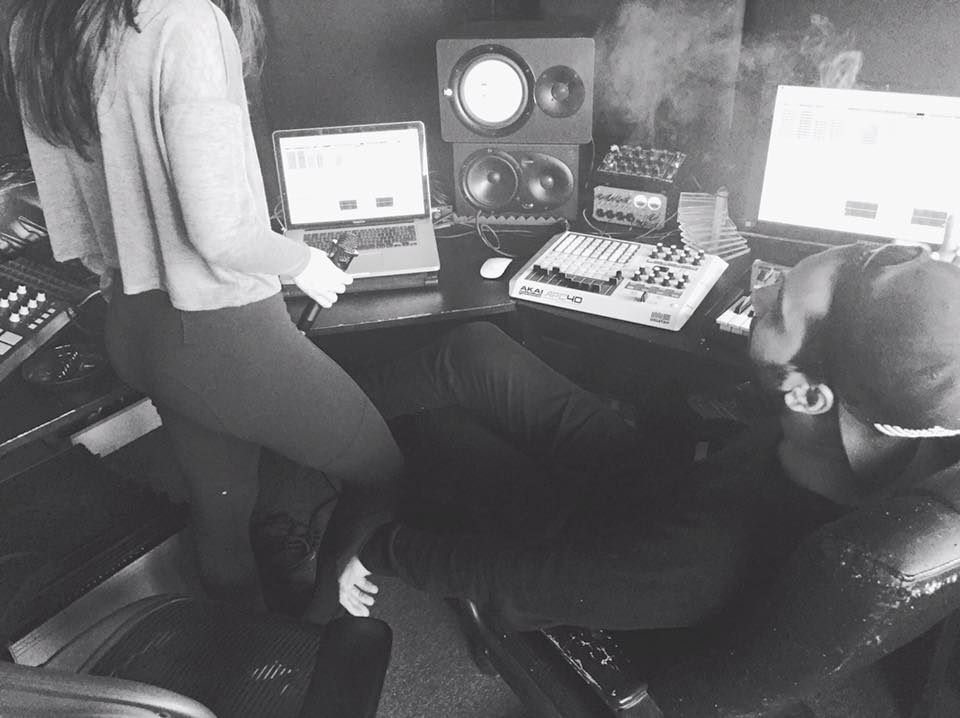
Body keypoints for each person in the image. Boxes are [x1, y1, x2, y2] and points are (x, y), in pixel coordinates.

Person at [1, 0, 401, 619]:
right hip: (221, 338)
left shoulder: (40, 23)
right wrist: (301, 261)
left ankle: (250, 649)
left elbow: (68, 212)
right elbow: (221, 233)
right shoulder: (183, 21)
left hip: (132, 323)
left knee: (223, 505)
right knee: (385, 474)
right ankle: (321, 628)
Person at [346, 241, 960, 630]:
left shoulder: (704, 558)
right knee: (475, 348)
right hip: (657, 483)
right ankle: (324, 412)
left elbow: (531, 583)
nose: (758, 291)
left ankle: (330, 457)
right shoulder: (896, 415)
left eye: (776, 310)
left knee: (428, 431)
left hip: (596, 545)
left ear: (806, 395)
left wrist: (382, 551)